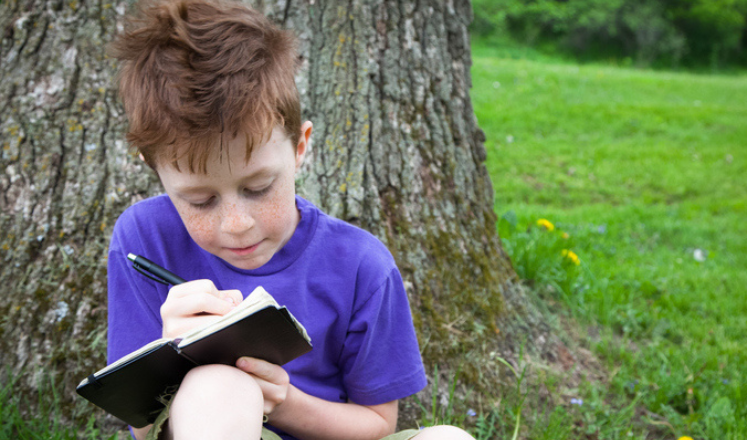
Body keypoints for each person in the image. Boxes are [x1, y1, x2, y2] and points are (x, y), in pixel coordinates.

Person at [105, 0, 476, 439]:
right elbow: (141, 428)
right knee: (218, 386)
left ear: (300, 148)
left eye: (258, 188)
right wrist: (166, 358)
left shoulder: (361, 265)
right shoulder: (145, 240)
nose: (236, 223)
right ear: (154, 169)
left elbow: (378, 423)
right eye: (200, 200)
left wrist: (283, 403)